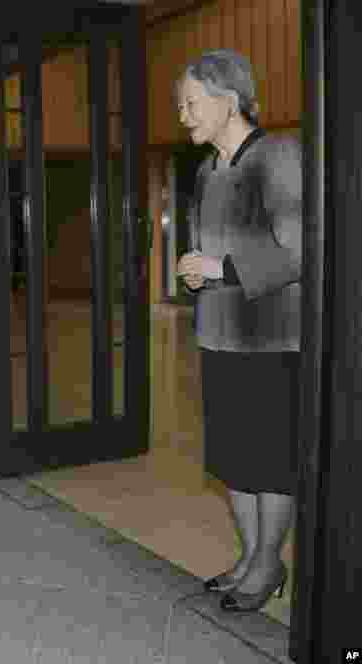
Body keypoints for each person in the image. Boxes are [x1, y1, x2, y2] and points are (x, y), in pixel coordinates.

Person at [174, 50, 302, 612]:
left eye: (190, 102)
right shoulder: (207, 172)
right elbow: (215, 256)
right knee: (234, 460)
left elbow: (300, 250)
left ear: (229, 100)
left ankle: (271, 563)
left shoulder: (280, 157)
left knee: (270, 462)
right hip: (219, 336)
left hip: (273, 341)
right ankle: (251, 558)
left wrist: (219, 269)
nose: (183, 115)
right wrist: (195, 274)